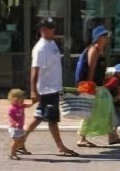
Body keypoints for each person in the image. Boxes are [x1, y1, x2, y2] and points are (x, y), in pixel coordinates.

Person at [24, 17, 79, 157]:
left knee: (44, 119)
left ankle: (19, 142)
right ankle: (60, 147)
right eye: (45, 27)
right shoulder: (41, 48)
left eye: (50, 27)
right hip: (46, 89)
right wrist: (33, 90)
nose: (47, 29)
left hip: (53, 89)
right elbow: (34, 70)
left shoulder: (52, 43)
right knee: (48, 120)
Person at [77, 24, 117, 147]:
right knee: (89, 110)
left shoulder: (101, 50)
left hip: (99, 85)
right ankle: (82, 138)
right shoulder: (93, 50)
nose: (107, 37)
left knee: (108, 106)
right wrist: (90, 88)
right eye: (104, 35)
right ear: (98, 37)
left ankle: (112, 135)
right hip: (91, 86)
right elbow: (91, 70)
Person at [104, 63, 120, 144]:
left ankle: (114, 137)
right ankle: (112, 138)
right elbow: (106, 87)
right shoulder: (115, 80)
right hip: (113, 103)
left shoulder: (118, 79)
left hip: (115, 102)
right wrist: (115, 96)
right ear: (119, 73)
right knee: (114, 120)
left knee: (116, 120)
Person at [7, 88, 33, 160]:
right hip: (14, 128)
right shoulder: (12, 108)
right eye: (20, 98)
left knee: (23, 139)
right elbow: (10, 117)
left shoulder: (21, 106)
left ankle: (21, 149)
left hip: (20, 127)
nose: (22, 100)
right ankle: (12, 153)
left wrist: (34, 101)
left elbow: (29, 105)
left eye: (22, 98)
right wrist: (15, 123)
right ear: (14, 99)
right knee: (16, 141)